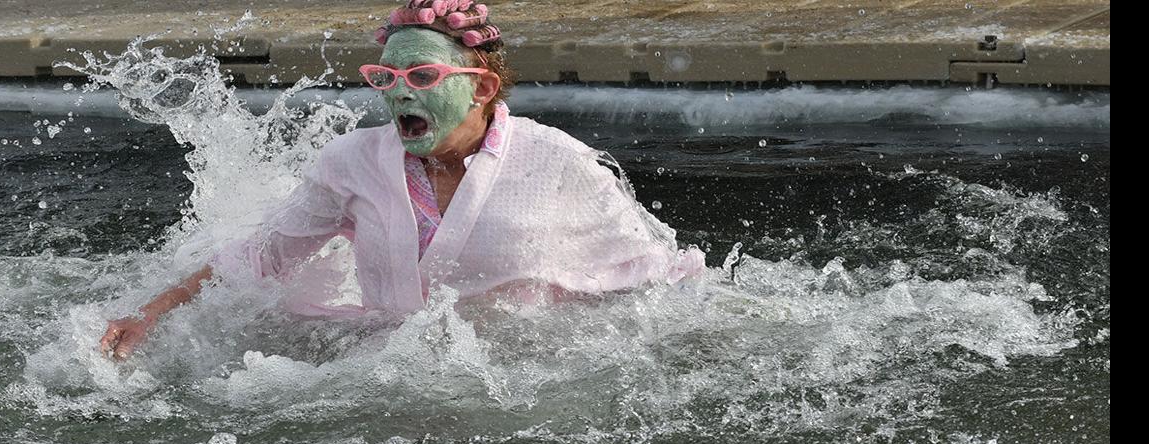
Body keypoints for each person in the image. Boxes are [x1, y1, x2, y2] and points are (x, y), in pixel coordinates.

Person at [100, 0, 704, 361]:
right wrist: (152, 313)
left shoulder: (557, 161)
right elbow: (261, 257)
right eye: (385, 78)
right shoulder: (351, 162)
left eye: (420, 75)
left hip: (518, 384)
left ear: (482, 87)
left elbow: (652, 274)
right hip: (382, 375)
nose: (397, 94)